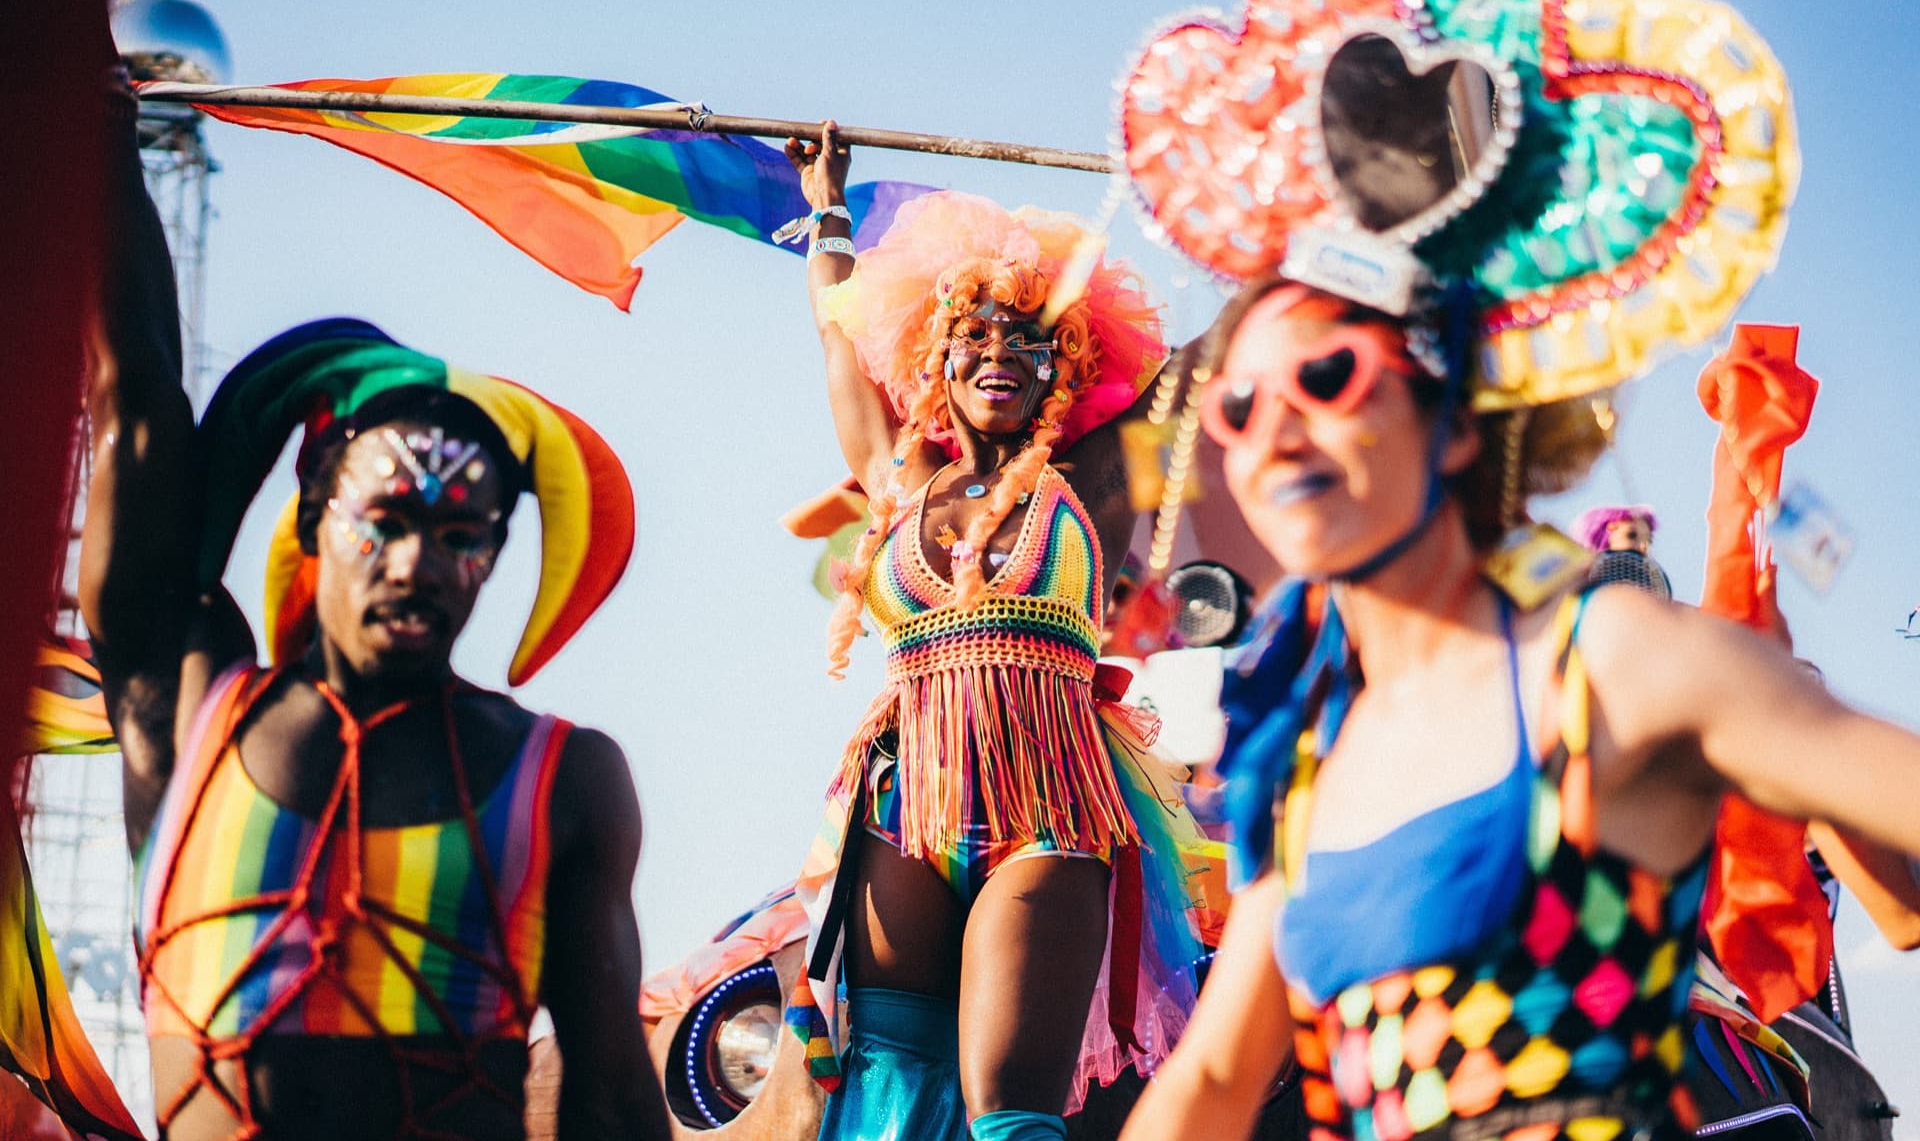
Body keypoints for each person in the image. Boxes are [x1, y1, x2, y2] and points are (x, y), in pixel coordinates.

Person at [1105, 0, 1920, 1138]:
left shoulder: (1612, 660)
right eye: (1239, 405)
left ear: (1446, 409)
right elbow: (1210, 1082)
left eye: (1326, 376)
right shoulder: (1309, 751)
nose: (1275, 430)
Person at [84, 74, 671, 1141]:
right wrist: (100, 138)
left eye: (462, 535)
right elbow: (137, 408)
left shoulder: (566, 777)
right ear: (314, 519)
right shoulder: (186, 702)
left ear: (493, 557)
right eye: (388, 519)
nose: (419, 561)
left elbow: (614, 1099)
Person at [777, 124, 1212, 1141]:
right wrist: (826, 203)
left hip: (1048, 811)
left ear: (1065, 359)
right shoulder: (898, 476)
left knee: (1007, 1114)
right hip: (904, 808)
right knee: (889, 1088)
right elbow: (837, 332)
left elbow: (1218, 362)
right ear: (937, 349)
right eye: (978, 333)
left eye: (1030, 337)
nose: (1002, 354)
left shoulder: (1087, 481)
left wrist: (1235, 198)